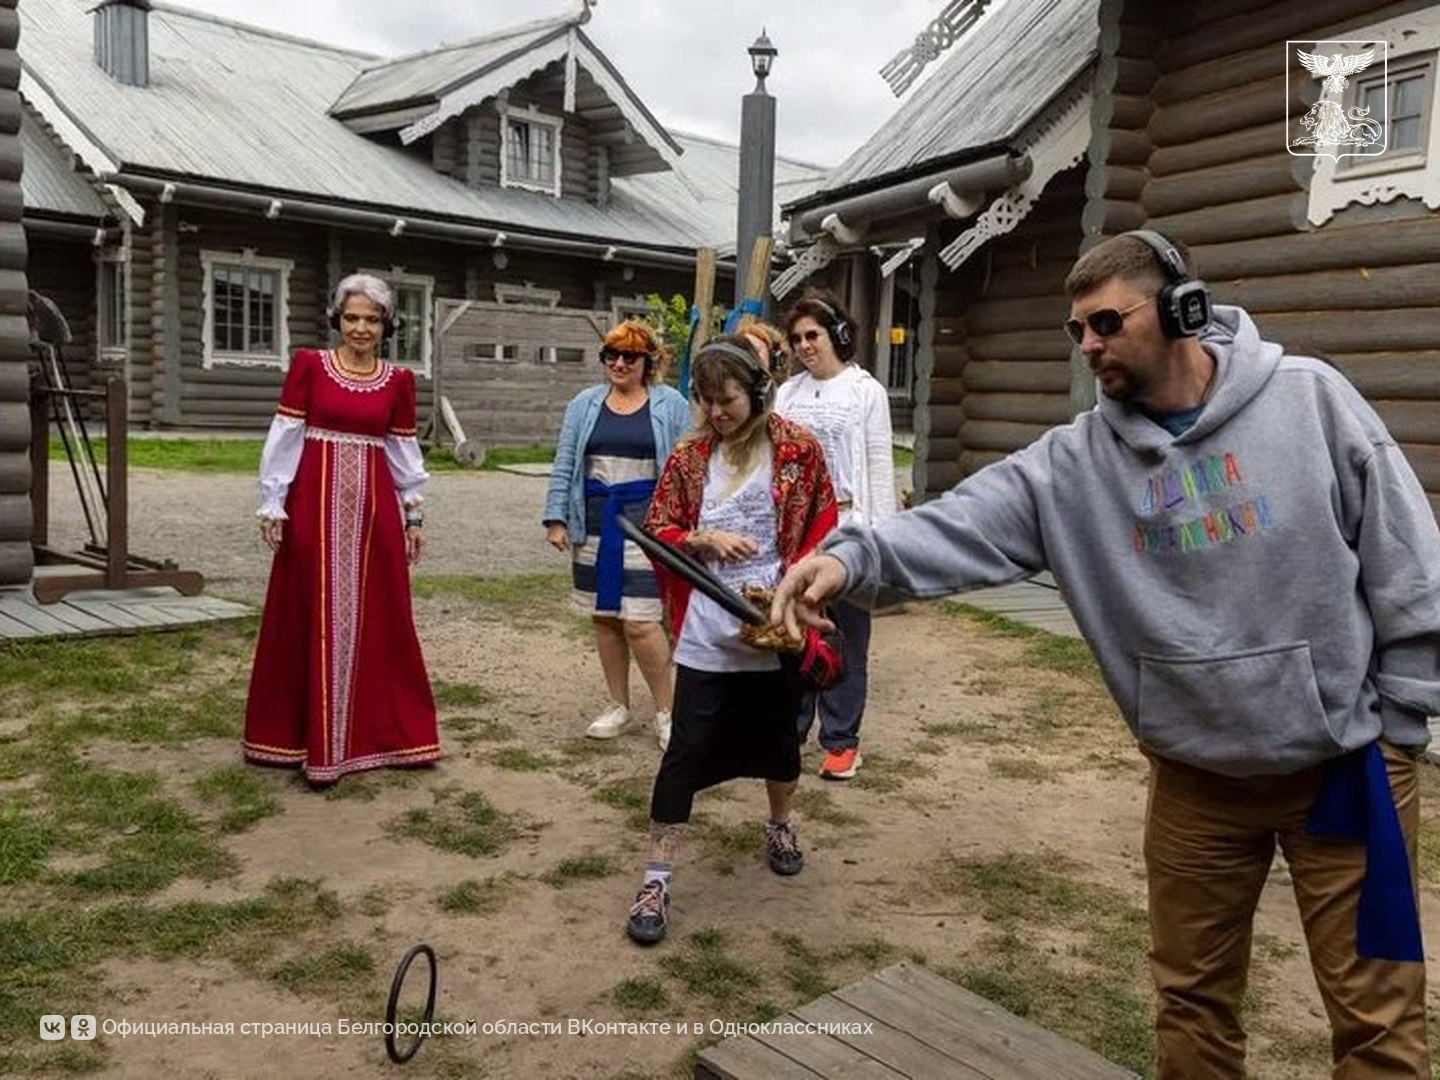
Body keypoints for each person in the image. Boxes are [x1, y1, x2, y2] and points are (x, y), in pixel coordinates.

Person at [771, 231, 1440, 1076]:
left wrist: (1401, 723)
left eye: (1107, 323)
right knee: (1191, 1004)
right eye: (1076, 330)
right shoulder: (1075, 465)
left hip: (1346, 768)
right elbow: (962, 522)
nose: (1088, 345)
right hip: (1196, 781)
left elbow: (1405, 556)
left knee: (1378, 1019)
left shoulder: (1310, 400)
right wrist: (846, 559)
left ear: (1182, 311)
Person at [624, 334, 838, 946]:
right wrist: (702, 539)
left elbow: (824, 522)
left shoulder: (797, 450)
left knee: (781, 742)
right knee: (685, 751)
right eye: (706, 400)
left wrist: (800, 591)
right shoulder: (691, 456)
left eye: (729, 400)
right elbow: (659, 525)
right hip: (708, 630)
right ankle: (656, 878)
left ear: (758, 393)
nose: (716, 412)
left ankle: (779, 823)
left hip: (776, 623)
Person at [244, 273, 439, 786]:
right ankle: (300, 738)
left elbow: (402, 454)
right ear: (338, 319)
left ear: (385, 325)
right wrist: (274, 504)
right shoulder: (310, 366)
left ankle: (377, 737)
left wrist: (413, 516)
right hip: (312, 508)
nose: (360, 328)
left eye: (371, 319)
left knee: (382, 617)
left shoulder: (398, 381)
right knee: (304, 612)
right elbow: (285, 437)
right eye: (351, 317)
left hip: (374, 517)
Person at [543, 320, 691, 749]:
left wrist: (684, 524)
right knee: (605, 617)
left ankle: (667, 712)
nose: (619, 363)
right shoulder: (584, 404)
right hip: (593, 522)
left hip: (647, 526)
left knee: (642, 621)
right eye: (611, 355)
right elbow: (565, 462)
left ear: (649, 362)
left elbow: (686, 467)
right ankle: (618, 706)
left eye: (630, 356)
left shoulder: (671, 404)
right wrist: (556, 519)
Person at [774, 291, 897, 780]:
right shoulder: (787, 394)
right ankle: (791, 728)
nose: (805, 345)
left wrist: (881, 543)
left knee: (844, 637)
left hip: (847, 529)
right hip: (798, 529)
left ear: (838, 335)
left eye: (814, 335)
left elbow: (880, 468)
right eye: (798, 338)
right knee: (795, 634)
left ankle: (842, 741)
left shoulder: (866, 392)